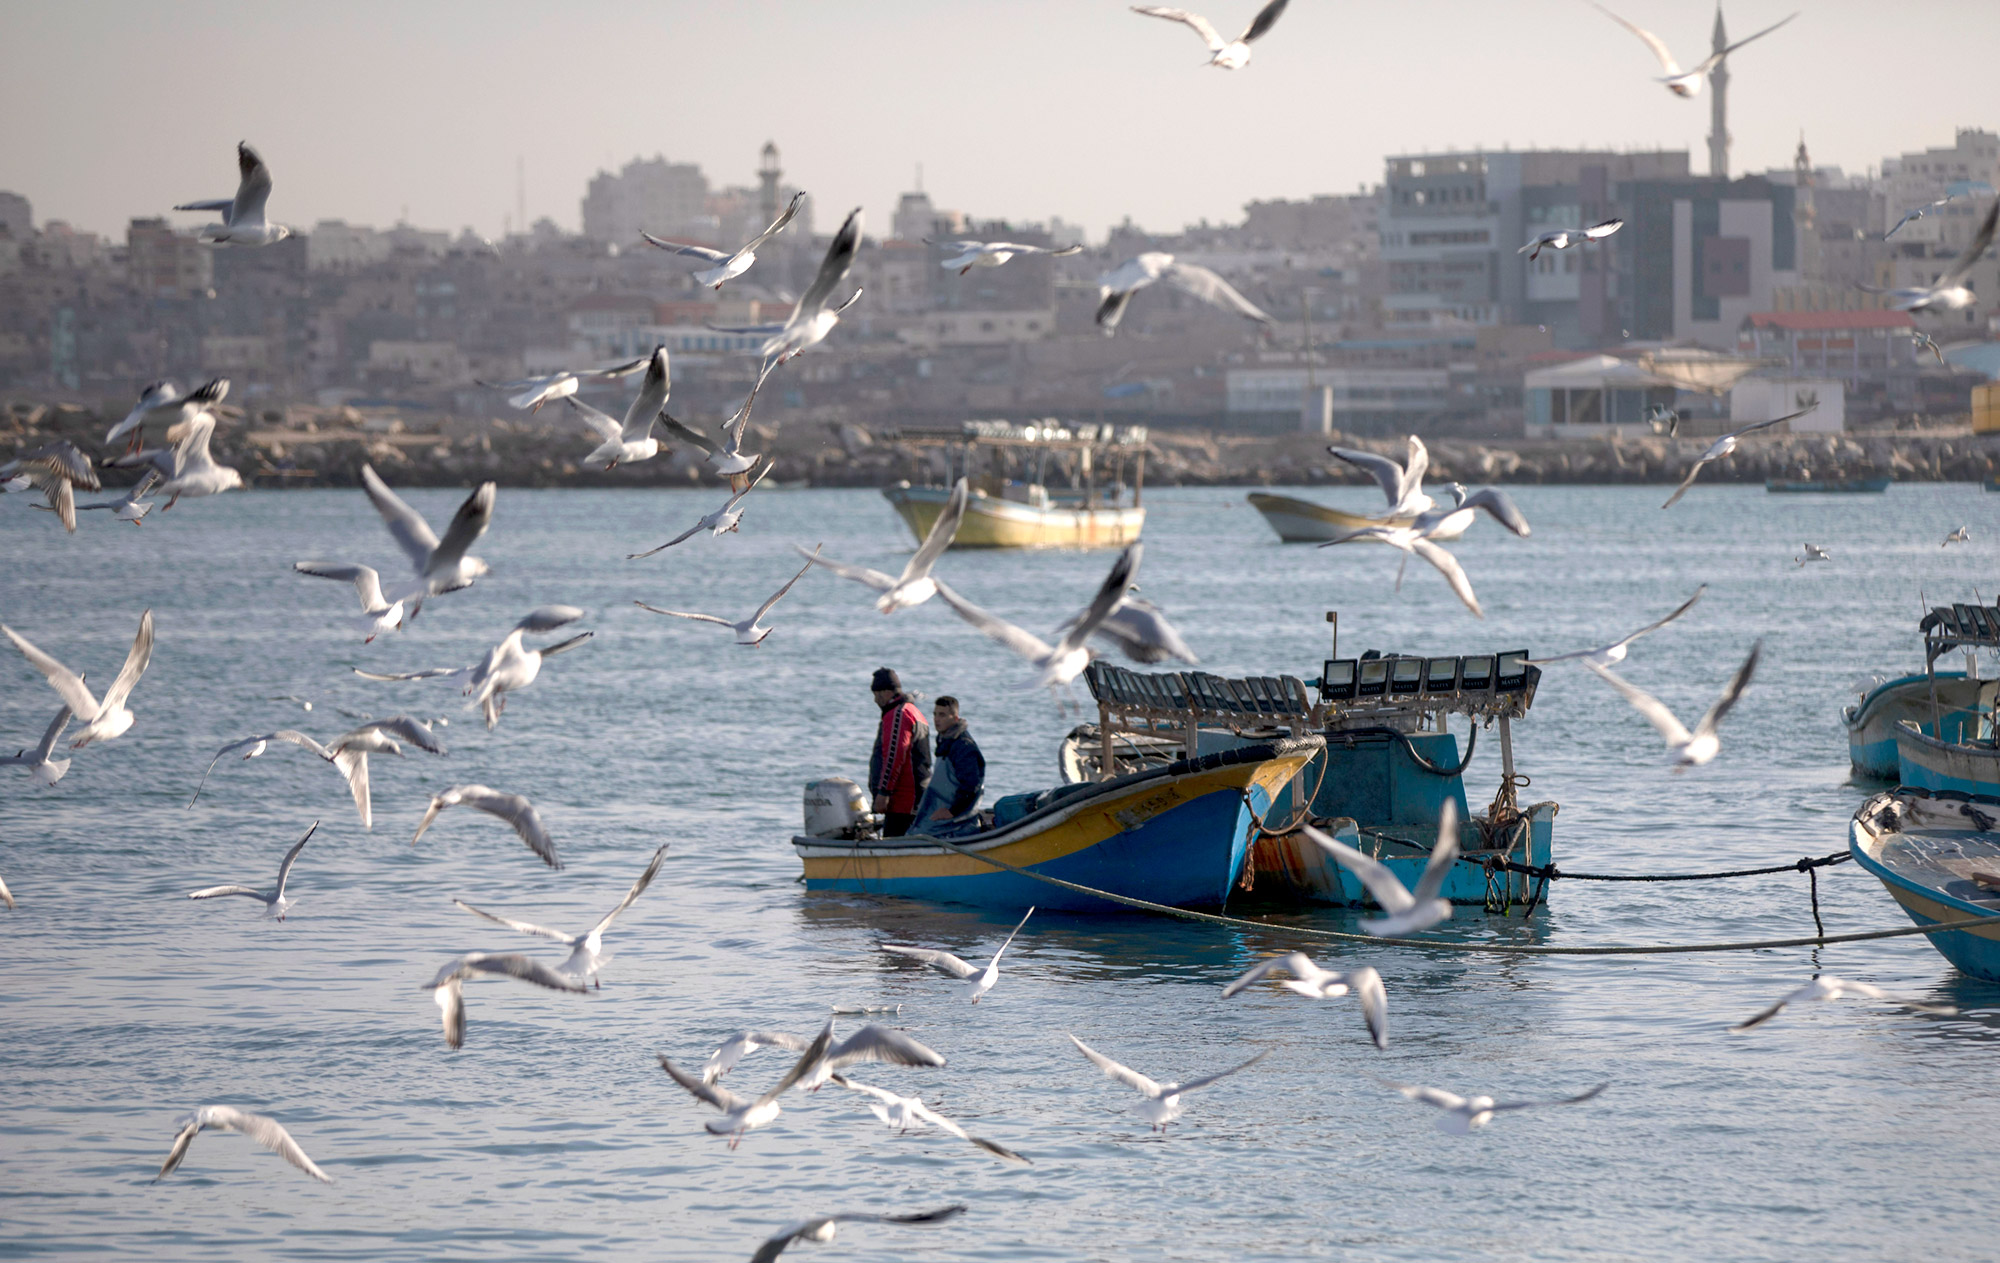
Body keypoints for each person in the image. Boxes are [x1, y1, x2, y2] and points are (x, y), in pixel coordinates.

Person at [868, 667, 931, 838]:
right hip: (915, 797)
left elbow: (894, 756)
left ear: (886, 692)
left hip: (903, 801)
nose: (875, 700)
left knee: (892, 847)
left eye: (876, 694)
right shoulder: (913, 711)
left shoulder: (898, 714)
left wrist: (883, 793)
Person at [911, 696, 985, 838]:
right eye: (935, 714)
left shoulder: (963, 747)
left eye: (943, 715)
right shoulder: (946, 742)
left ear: (955, 718)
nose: (936, 719)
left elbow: (971, 785)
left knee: (916, 836)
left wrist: (952, 811)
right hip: (938, 815)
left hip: (955, 824)